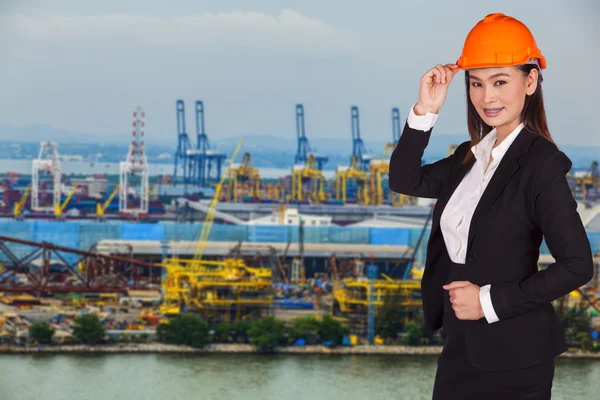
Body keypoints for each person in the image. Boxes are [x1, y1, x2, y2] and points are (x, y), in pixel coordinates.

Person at [389, 13, 594, 400]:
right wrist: (425, 109)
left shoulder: (541, 163)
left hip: (516, 356)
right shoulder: (470, 156)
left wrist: (487, 301)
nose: (487, 97)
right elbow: (404, 180)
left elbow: (577, 265)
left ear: (530, 81)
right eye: (476, 84)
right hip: (460, 346)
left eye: (500, 81)